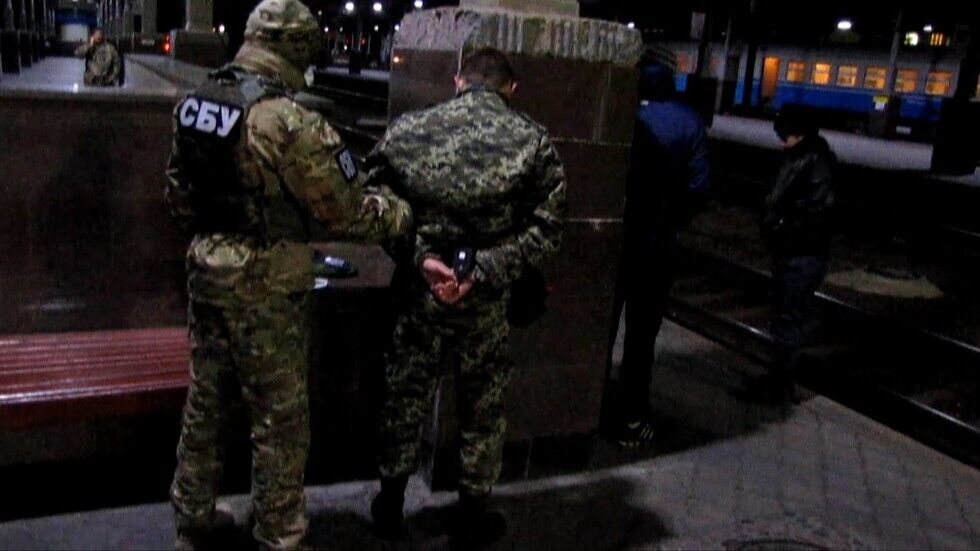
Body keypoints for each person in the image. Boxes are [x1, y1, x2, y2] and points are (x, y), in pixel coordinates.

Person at [163, 0, 412, 548]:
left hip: (207, 271)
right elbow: (345, 213)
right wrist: (399, 213)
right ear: (295, 50)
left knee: (206, 403)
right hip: (267, 285)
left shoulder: (196, 102)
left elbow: (178, 197)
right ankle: (279, 535)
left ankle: (193, 517)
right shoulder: (289, 121)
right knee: (278, 419)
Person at [367, 48, 567, 545]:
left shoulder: (410, 129)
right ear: (511, 88)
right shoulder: (532, 142)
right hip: (486, 301)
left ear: (459, 81)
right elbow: (547, 227)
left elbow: (373, 205)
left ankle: (389, 506)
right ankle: (472, 515)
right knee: (482, 404)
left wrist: (419, 257)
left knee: (405, 395)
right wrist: (483, 269)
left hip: (420, 293)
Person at [605, 60, 710, 447]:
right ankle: (631, 418)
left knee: (603, 329)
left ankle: (591, 408)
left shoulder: (623, 115)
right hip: (657, 244)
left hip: (616, 241)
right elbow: (700, 186)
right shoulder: (689, 122)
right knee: (641, 337)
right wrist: (673, 220)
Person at [745, 104, 836, 404]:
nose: (782, 142)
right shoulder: (803, 158)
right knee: (785, 319)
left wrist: (779, 228)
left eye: (786, 136)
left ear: (800, 133)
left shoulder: (814, 163)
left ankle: (780, 387)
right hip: (794, 253)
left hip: (801, 255)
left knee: (788, 321)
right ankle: (777, 380)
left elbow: (814, 215)